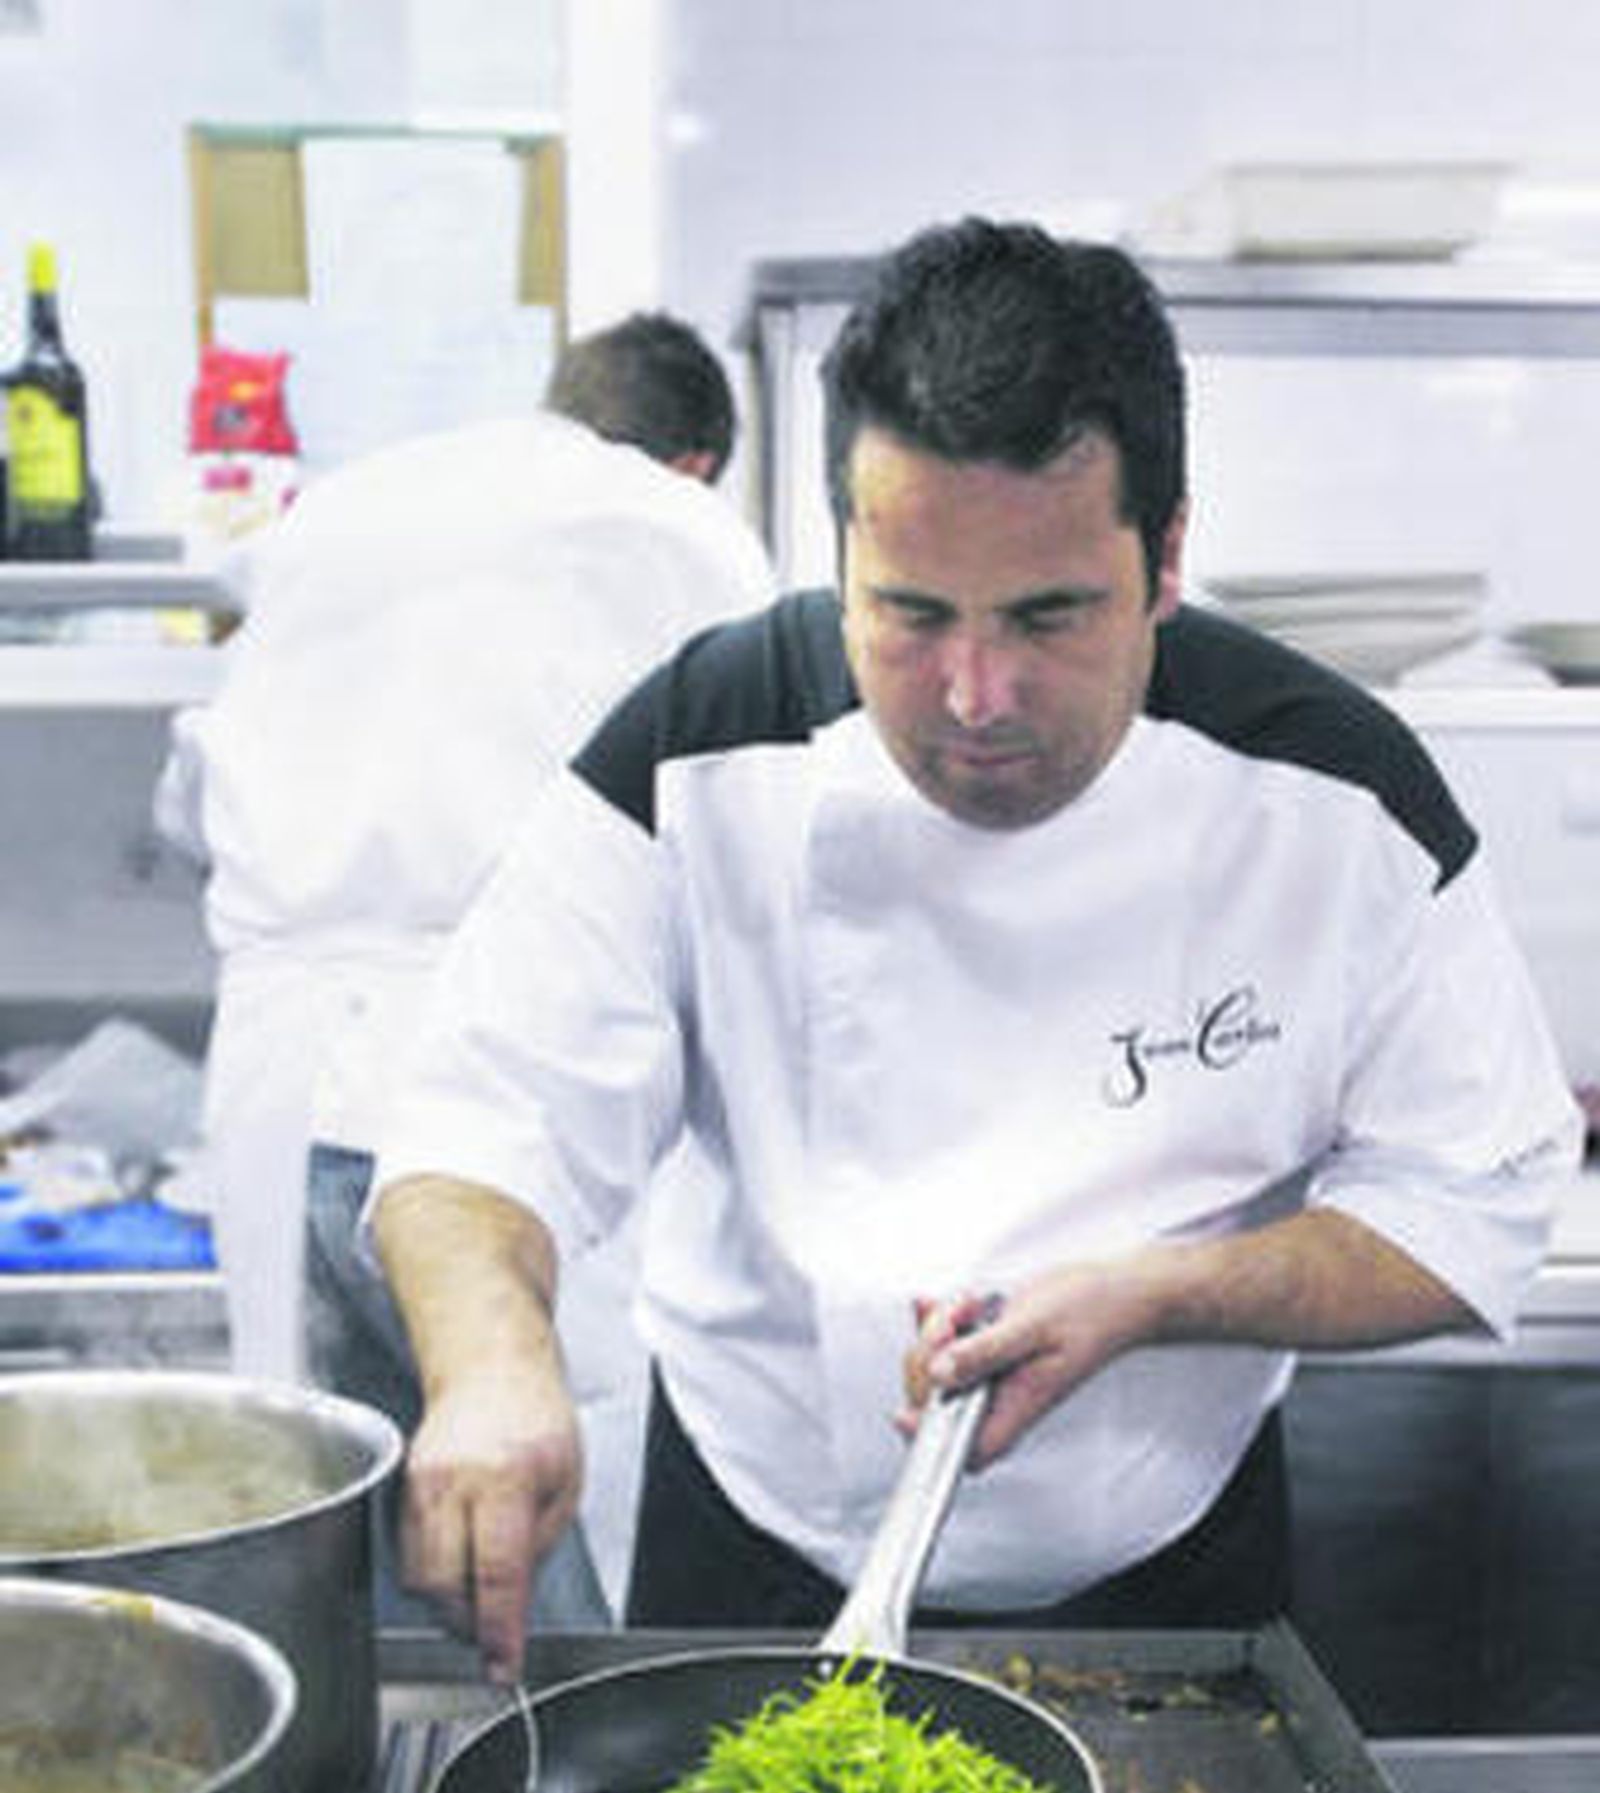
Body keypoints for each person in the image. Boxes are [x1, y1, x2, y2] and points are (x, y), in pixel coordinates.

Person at [369, 218, 1582, 1679]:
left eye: (1048, 616)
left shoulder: (1337, 793)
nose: (976, 695)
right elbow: (482, 1120)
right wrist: (492, 1364)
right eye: (910, 613)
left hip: (1165, 1571)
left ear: (1168, 557)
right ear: (839, 553)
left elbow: (1471, 1197)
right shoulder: (701, 745)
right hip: (757, 1547)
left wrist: (1161, 1293)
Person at [154, 311, 775, 1616]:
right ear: (697, 460)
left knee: (335, 1573)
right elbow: (756, 821)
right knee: (539, 1589)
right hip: (510, 1084)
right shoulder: (679, 530)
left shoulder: (345, 506)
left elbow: (187, 803)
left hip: (282, 1079)